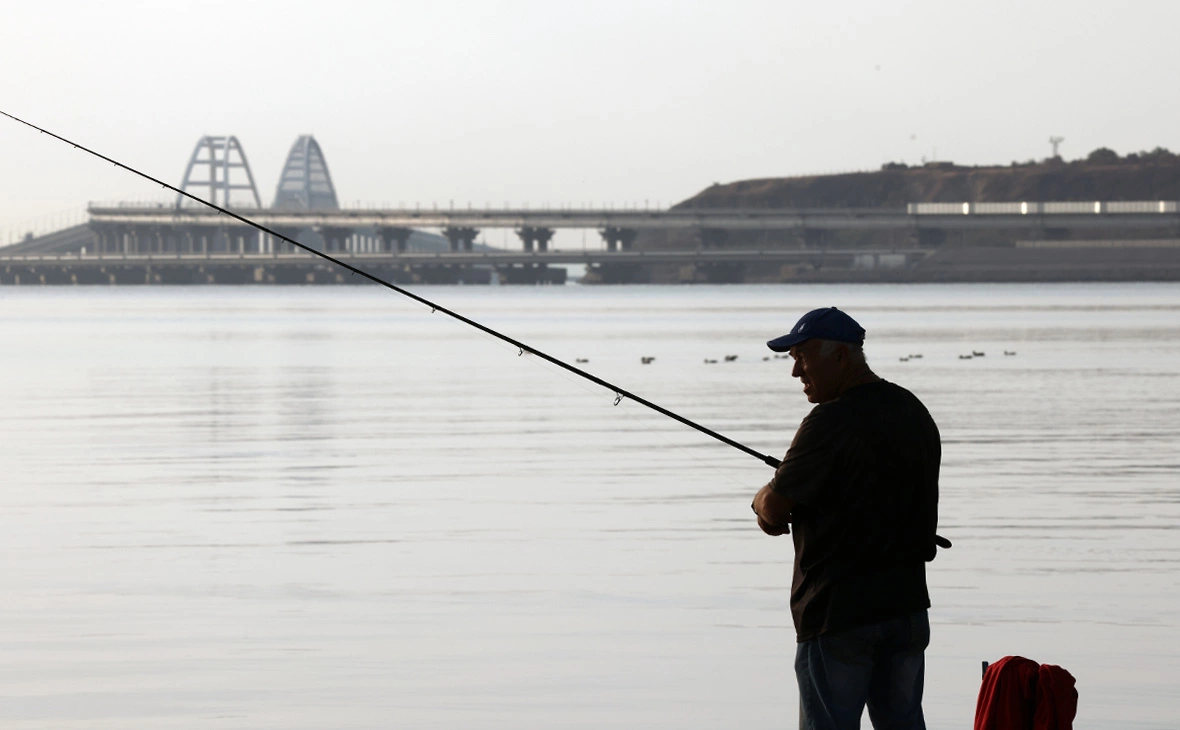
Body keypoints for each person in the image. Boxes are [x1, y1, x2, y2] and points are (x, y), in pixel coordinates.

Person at [751, 307, 945, 730]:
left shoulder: (828, 421)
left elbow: (775, 507)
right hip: (907, 609)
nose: (796, 373)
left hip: (838, 615)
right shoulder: (912, 410)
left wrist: (760, 498)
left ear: (839, 355)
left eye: (802, 357)